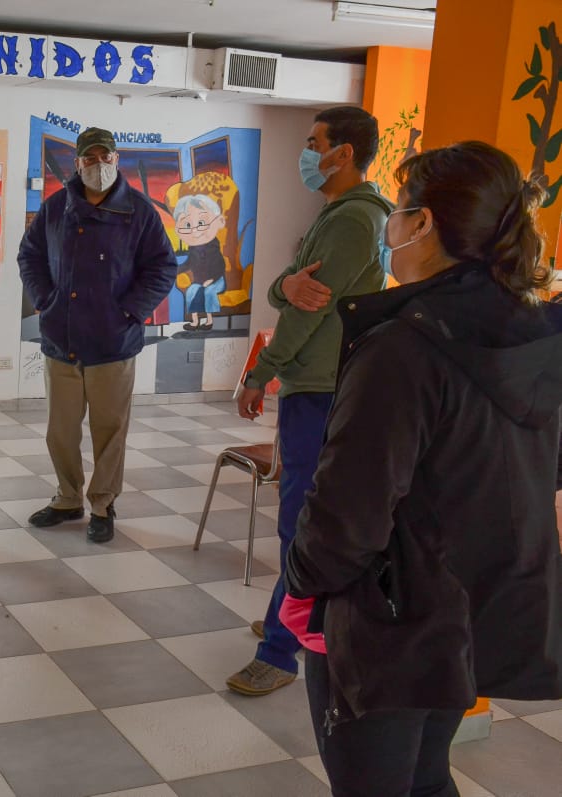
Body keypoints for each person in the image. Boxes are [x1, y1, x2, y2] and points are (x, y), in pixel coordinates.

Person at [283, 141, 562, 796]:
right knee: (426, 777)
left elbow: (348, 510)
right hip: (472, 610)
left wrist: (303, 583)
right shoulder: (536, 336)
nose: (388, 228)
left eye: (396, 211)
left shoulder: (403, 348)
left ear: (423, 222)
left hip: (388, 618)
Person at [228, 106, 392, 696]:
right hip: (314, 386)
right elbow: (287, 283)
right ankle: (285, 620)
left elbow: (306, 305)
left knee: (302, 524)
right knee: (296, 518)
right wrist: (283, 285)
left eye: (313, 142)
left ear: (342, 153)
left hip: (323, 391)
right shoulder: (340, 214)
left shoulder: (353, 222)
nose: (307, 151)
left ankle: (281, 649)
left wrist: (260, 373)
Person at [18, 127, 176, 543]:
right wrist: (43, 299)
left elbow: (162, 267)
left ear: (117, 160)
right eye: (91, 158)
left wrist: (131, 310)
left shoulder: (139, 211)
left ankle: (102, 503)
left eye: (107, 158)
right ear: (78, 163)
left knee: (110, 429)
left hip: (113, 340)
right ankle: (67, 497)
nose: (99, 166)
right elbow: (29, 255)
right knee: (61, 429)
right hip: (61, 338)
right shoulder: (56, 208)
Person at [173, 193, 227, 331]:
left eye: (201, 223)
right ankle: (195, 321)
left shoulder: (214, 248)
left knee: (209, 292)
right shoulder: (193, 250)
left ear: (219, 221)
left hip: (217, 280)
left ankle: (209, 321)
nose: (194, 230)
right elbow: (188, 264)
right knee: (191, 291)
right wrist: (174, 269)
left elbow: (221, 266)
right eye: (187, 224)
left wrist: (212, 279)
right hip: (199, 281)